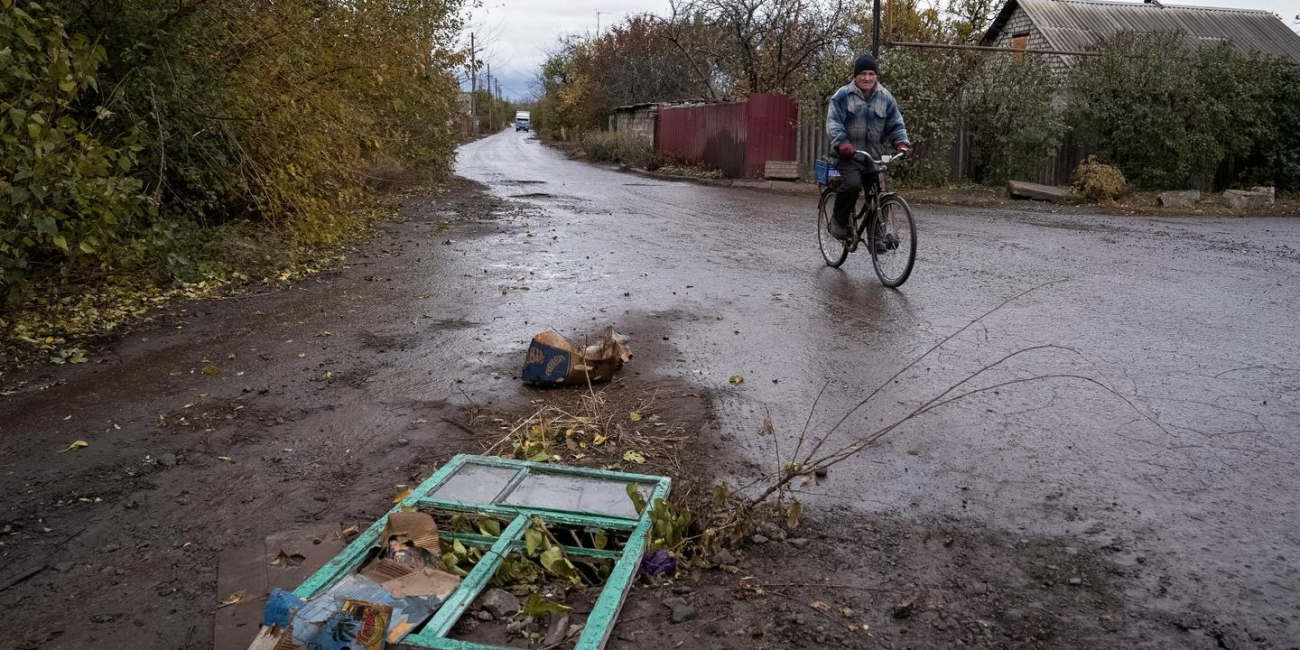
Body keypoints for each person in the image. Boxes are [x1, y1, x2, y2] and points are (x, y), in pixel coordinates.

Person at [826, 54, 910, 240]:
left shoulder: (885, 97)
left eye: (871, 73)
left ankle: (877, 237)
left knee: (880, 192)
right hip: (848, 157)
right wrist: (842, 143)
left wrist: (902, 143)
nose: (867, 78)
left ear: (876, 76)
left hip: (873, 157)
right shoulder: (842, 96)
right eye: (863, 73)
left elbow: (896, 124)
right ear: (855, 76)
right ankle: (838, 222)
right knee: (852, 185)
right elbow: (833, 123)